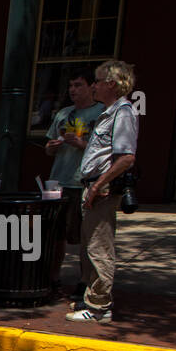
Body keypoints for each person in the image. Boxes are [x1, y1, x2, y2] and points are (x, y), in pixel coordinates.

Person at [69, 59, 139, 324]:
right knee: (89, 244)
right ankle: (90, 295)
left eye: (97, 81)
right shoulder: (108, 111)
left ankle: (99, 306)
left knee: (99, 246)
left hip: (102, 187)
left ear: (111, 83)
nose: (94, 86)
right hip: (92, 185)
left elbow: (126, 158)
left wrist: (98, 186)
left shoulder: (123, 112)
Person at [44, 67, 104, 297]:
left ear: (91, 87)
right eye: (70, 86)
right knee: (55, 234)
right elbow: (49, 148)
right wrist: (51, 147)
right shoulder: (63, 114)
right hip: (58, 182)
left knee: (84, 236)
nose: (73, 90)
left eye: (79, 85)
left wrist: (80, 143)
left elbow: (104, 150)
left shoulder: (101, 113)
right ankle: (53, 277)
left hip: (83, 182)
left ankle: (84, 280)